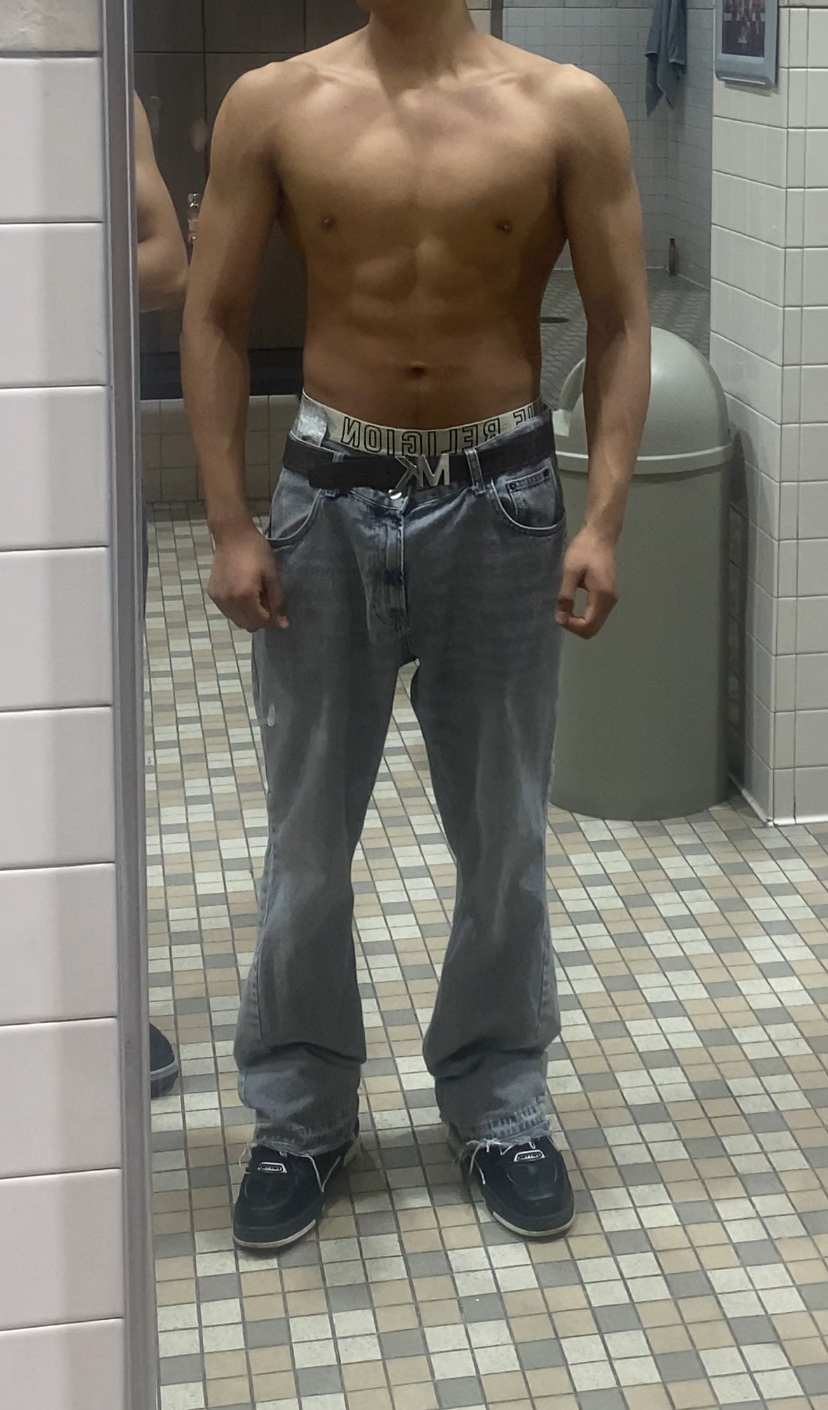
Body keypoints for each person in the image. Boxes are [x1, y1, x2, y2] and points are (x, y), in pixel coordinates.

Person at [181, 0, 651, 1250]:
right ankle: (300, 1115)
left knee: (504, 832)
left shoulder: (566, 109)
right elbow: (214, 313)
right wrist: (228, 521)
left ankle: (500, 1102)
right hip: (326, 498)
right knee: (306, 837)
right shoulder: (276, 104)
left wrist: (604, 519)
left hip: (503, 499)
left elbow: (621, 321)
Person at [135, 93, 189, 1097]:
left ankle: (86, 988)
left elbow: (167, 261)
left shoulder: (94, 89)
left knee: (78, 741)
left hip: (67, 459)